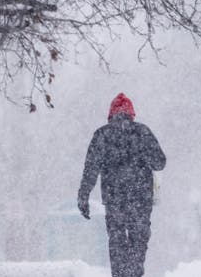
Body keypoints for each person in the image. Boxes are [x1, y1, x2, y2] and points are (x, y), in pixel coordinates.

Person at [78, 92, 166, 277]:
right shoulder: (142, 132)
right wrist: (142, 154)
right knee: (138, 242)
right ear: (132, 114)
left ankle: (120, 274)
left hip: (114, 199)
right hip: (140, 199)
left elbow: (91, 169)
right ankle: (134, 272)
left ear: (111, 115)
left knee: (117, 242)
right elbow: (160, 162)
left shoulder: (102, 135)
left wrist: (83, 195)